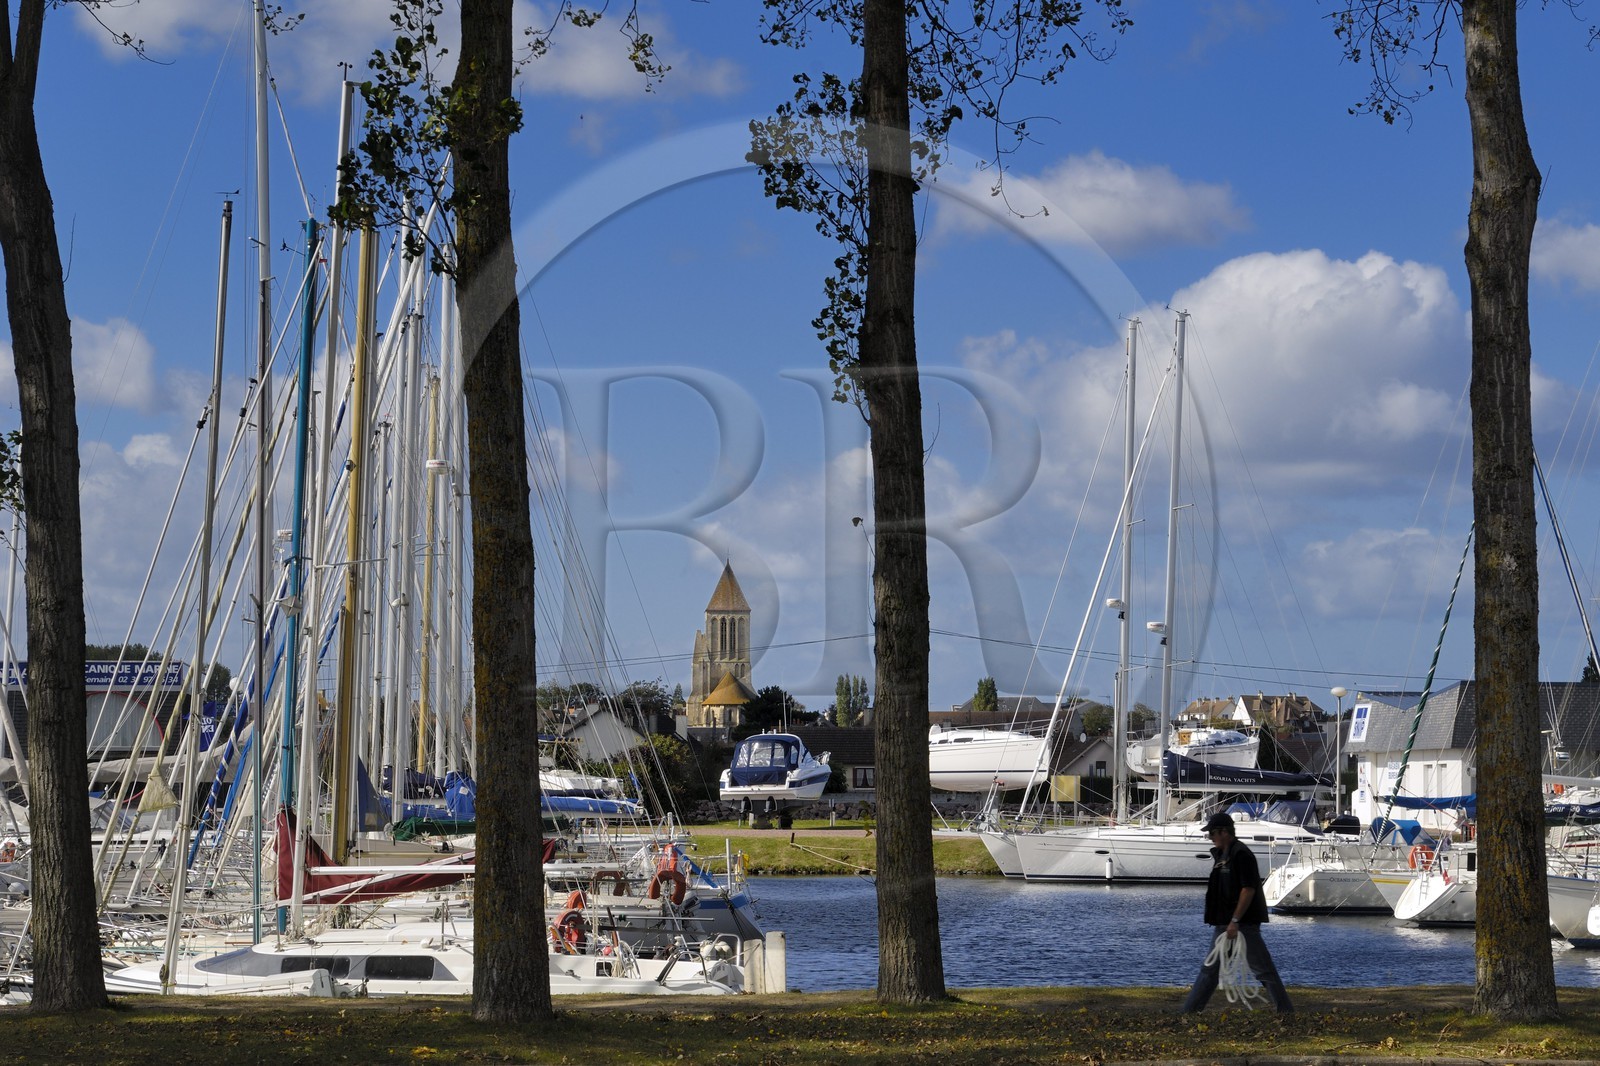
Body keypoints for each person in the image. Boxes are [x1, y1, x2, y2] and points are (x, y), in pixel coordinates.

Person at [1180, 811, 1294, 1015]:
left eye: (1212, 833)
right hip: (1225, 924)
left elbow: (1248, 889)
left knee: (1263, 969)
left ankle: (1285, 1011)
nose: (1210, 837)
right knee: (1210, 970)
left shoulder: (1241, 855)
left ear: (1225, 832)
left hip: (1243, 925)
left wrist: (1235, 920)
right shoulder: (1224, 855)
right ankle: (1189, 1011)